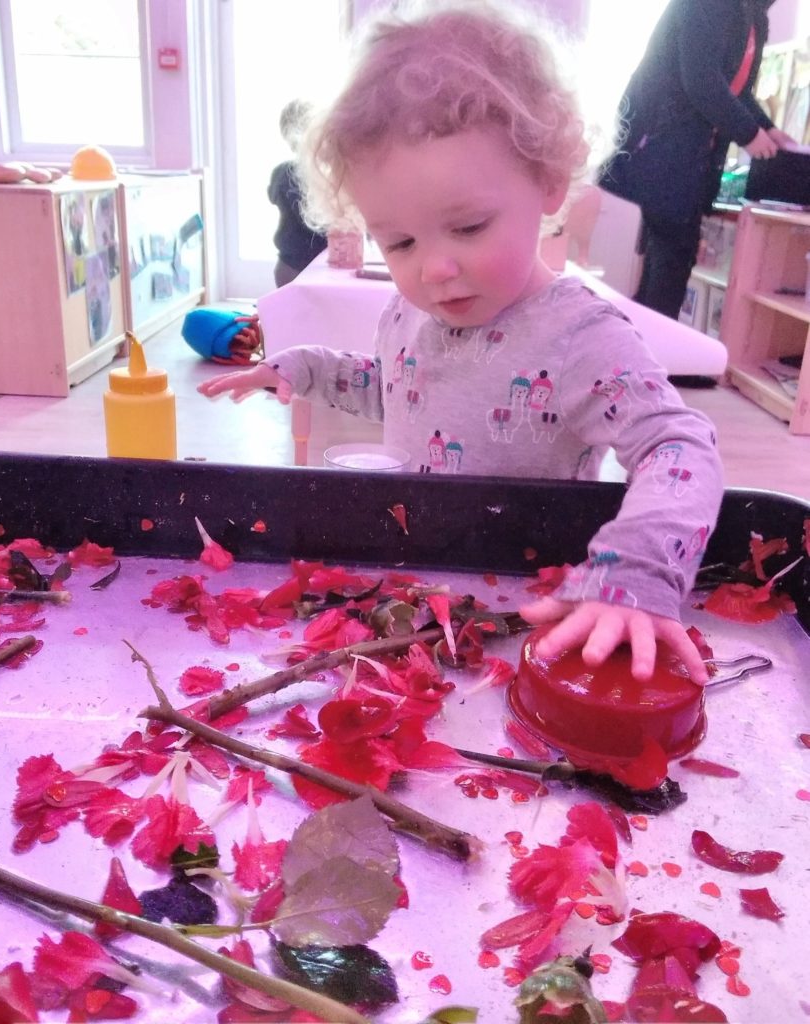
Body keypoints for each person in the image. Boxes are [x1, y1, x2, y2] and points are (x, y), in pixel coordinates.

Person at [199, 0, 724, 685]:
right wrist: (301, 367)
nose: (434, 269)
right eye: (400, 243)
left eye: (469, 227)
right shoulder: (409, 311)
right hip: (420, 588)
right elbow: (395, 387)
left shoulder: (580, 335)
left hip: (531, 607)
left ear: (548, 183)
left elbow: (679, 447)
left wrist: (636, 569)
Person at [598, 0, 795, 325]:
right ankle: (656, 347)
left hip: (689, 158)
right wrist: (749, 134)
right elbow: (701, 79)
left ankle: (645, 343)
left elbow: (737, 91)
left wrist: (769, 130)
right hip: (660, 145)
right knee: (674, 253)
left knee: (669, 255)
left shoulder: (754, 18)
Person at [268, 100, 329, 287]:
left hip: (291, 264)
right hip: (299, 265)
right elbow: (317, 221)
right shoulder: (295, 173)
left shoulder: (283, 172)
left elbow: (272, 196)